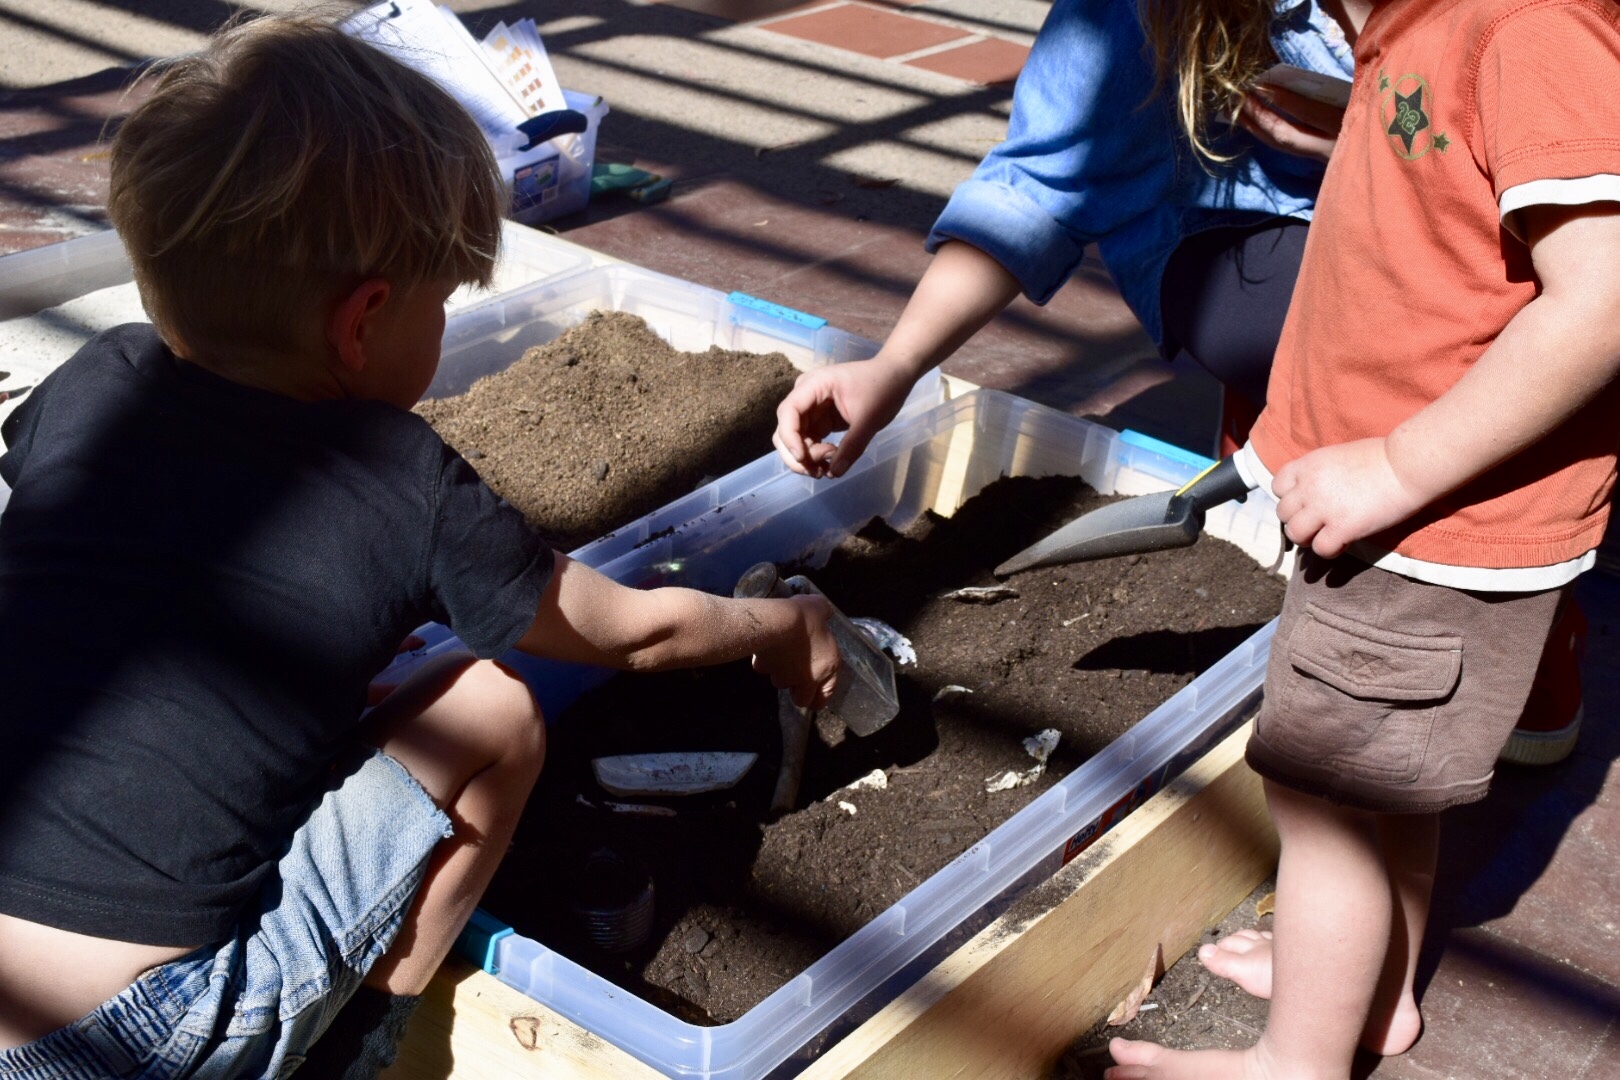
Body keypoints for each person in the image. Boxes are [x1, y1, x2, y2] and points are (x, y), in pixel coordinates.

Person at [0, 14, 839, 1079]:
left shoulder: (96, 388)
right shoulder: (397, 478)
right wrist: (782, 623)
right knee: (494, 711)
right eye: (442, 301)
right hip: (149, 1032)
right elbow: (633, 630)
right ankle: (366, 1044)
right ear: (362, 323)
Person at [772, 0, 1587, 763]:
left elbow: (1587, 279)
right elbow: (1036, 185)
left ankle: (1511, 589)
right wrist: (896, 364)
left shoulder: (1519, 30)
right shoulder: (1136, 15)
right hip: (1239, 236)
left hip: (1433, 221)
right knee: (1376, 333)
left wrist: (1364, 138)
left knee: (1503, 328)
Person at [1104, 0, 1620, 1075]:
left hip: (1430, 532)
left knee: (1321, 797)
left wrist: (1396, 466)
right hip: (1410, 522)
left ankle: (1299, 1060)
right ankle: (1367, 996)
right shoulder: (1420, 26)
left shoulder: (1525, 27)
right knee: (1385, 784)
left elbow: (1603, 301)